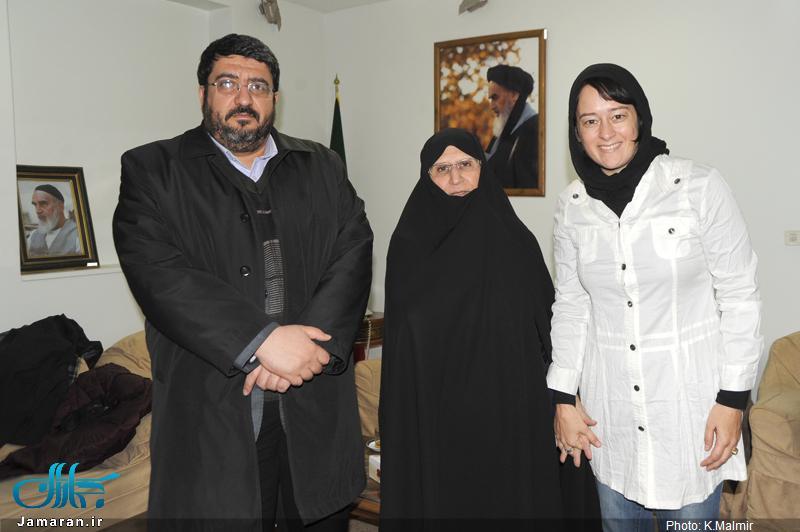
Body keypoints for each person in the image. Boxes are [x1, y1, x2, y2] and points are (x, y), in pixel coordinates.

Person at [112, 34, 373, 531]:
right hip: (212, 407)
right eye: (227, 83)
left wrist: (308, 348)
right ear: (203, 93)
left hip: (313, 399)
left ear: (275, 97)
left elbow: (353, 251)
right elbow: (159, 274)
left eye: (258, 86)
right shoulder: (152, 170)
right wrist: (263, 341)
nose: (243, 98)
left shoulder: (322, 164)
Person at [547, 63, 763, 531]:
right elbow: (571, 305)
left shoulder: (698, 186)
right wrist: (563, 397)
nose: (606, 133)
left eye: (618, 115)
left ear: (640, 119)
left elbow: (740, 295)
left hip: (691, 417)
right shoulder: (572, 206)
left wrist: (733, 401)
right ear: (576, 132)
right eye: (590, 120)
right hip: (611, 421)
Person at [379, 128, 562, 528]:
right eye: (442, 168)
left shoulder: (514, 239)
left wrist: (565, 399)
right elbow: (401, 344)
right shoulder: (408, 243)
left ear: (483, 167)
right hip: (436, 412)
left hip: (508, 409)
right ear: (426, 177)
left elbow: (551, 327)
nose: (456, 177)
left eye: (465, 164)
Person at [485, 64, 539, 189]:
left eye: (495, 98)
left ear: (514, 95)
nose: (491, 106)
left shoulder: (534, 130)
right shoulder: (499, 136)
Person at [27, 184, 80, 256]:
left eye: (43, 204)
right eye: (35, 205)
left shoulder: (78, 236)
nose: (37, 210)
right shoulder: (32, 236)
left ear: (61, 206)